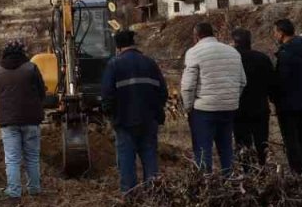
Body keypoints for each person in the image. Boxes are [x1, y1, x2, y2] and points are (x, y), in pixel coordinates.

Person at [100, 28, 168, 193]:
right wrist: (155, 112)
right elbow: (163, 92)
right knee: (150, 157)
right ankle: (154, 195)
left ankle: (130, 197)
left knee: (126, 161)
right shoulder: (150, 63)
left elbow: (107, 96)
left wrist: (111, 117)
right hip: (149, 120)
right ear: (133, 43)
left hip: (124, 122)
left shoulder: (114, 64)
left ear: (118, 47)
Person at [180, 21, 245, 174]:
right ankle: (229, 180)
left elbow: (188, 86)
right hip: (229, 108)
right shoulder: (232, 52)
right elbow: (242, 81)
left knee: (203, 149)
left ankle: (206, 184)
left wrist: (188, 108)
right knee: (226, 147)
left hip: (204, 110)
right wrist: (231, 99)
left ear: (196, 36)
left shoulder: (194, 52)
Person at [0, 40, 46, 198]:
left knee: (12, 158)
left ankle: (14, 191)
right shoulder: (31, 68)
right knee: (32, 157)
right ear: (22, 52)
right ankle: (34, 189)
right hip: (31, 120)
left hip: (8, 122)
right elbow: (42, 92)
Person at [271, 18, 302, 176]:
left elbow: (281, 81)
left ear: (281, 33)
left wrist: (274, 98)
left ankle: (298, 173)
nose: (274, 35)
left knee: (292, 141)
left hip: (289, 104)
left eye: (275, 31)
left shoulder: (286, 54)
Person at [231, 27, 274, 168]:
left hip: (239, 109)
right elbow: (272, 82)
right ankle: (263, 168)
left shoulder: (232, 59)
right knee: (262, 142)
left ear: (234, 42)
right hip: (260, 107)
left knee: (242, 143)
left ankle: (247, 172)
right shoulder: (262, 58)